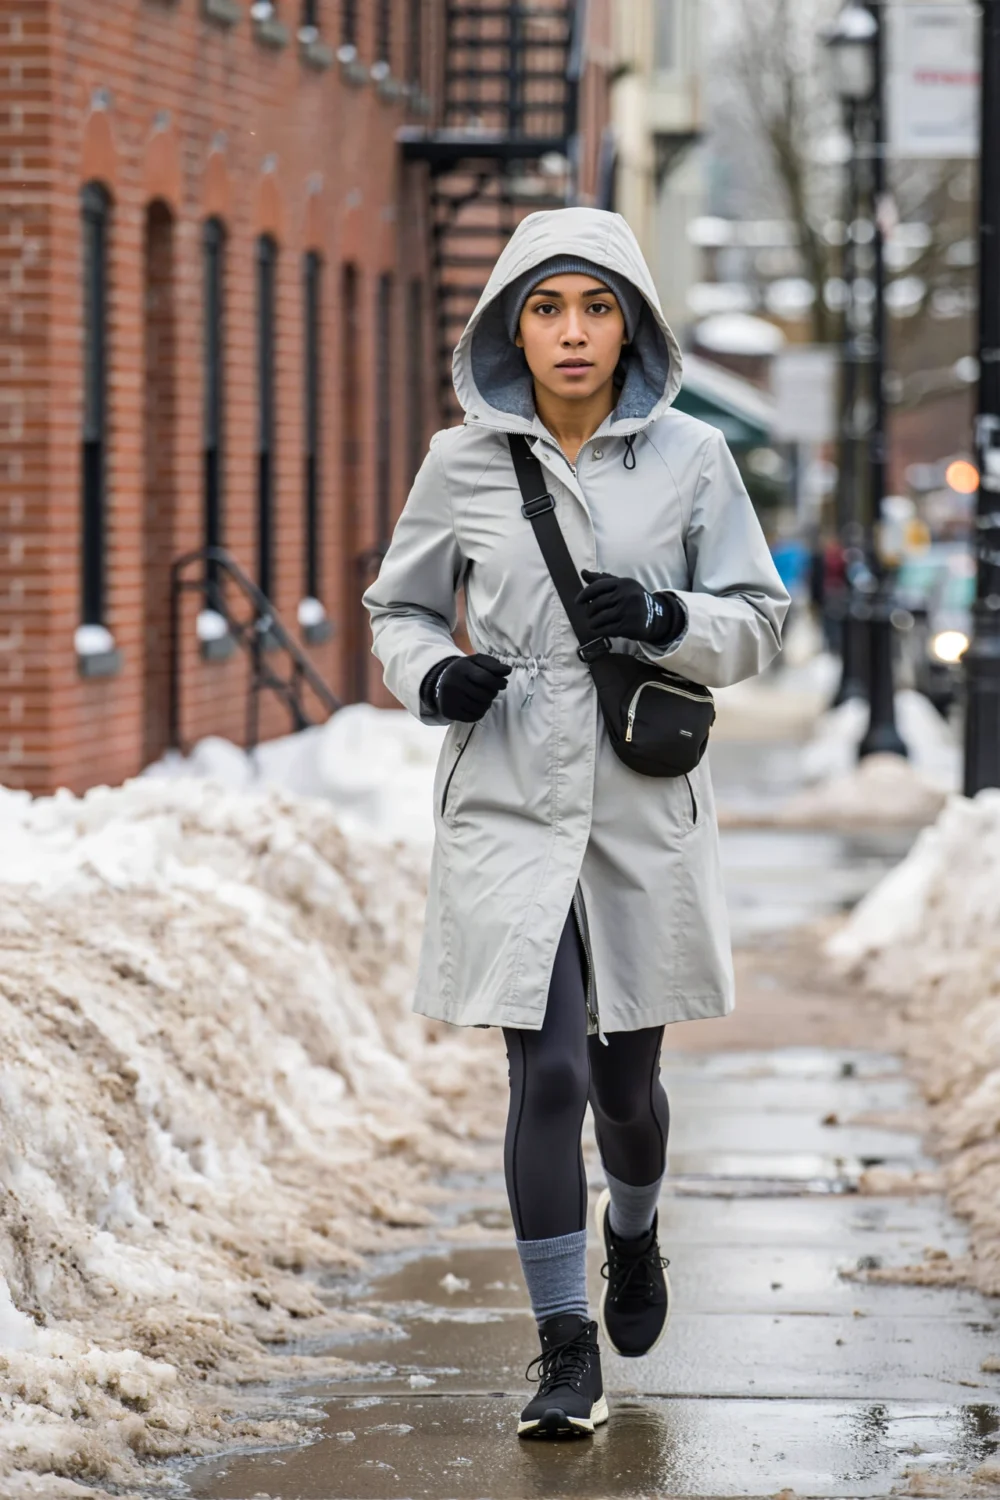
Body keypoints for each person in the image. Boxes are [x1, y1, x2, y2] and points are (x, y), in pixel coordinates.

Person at [363, 208, 789, 1441]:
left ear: (632, 326)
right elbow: (396, 608)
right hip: (504, 792)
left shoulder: (695, 459)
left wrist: (665, 617)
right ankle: (561, 1350)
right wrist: (431, 676)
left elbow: (759, 618)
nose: (570, 333)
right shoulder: (460, 463)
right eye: (546, 308)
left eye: (595, 308)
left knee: (624, 1084)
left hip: (639, 801)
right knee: (542, 1070)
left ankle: (636, 1234)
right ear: (510, 325)